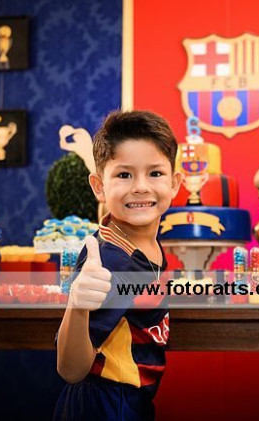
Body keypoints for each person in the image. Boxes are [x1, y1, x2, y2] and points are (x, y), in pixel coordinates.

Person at [54, 110, 181, 421]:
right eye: (124, 175)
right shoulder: (112, 260)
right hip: (105, 403)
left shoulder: (145, 240)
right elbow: (71, 369)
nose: (141, 187)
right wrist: (78, 305)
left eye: (155, 173)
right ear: (99, 186)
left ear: (175, 183)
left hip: (130, 399)